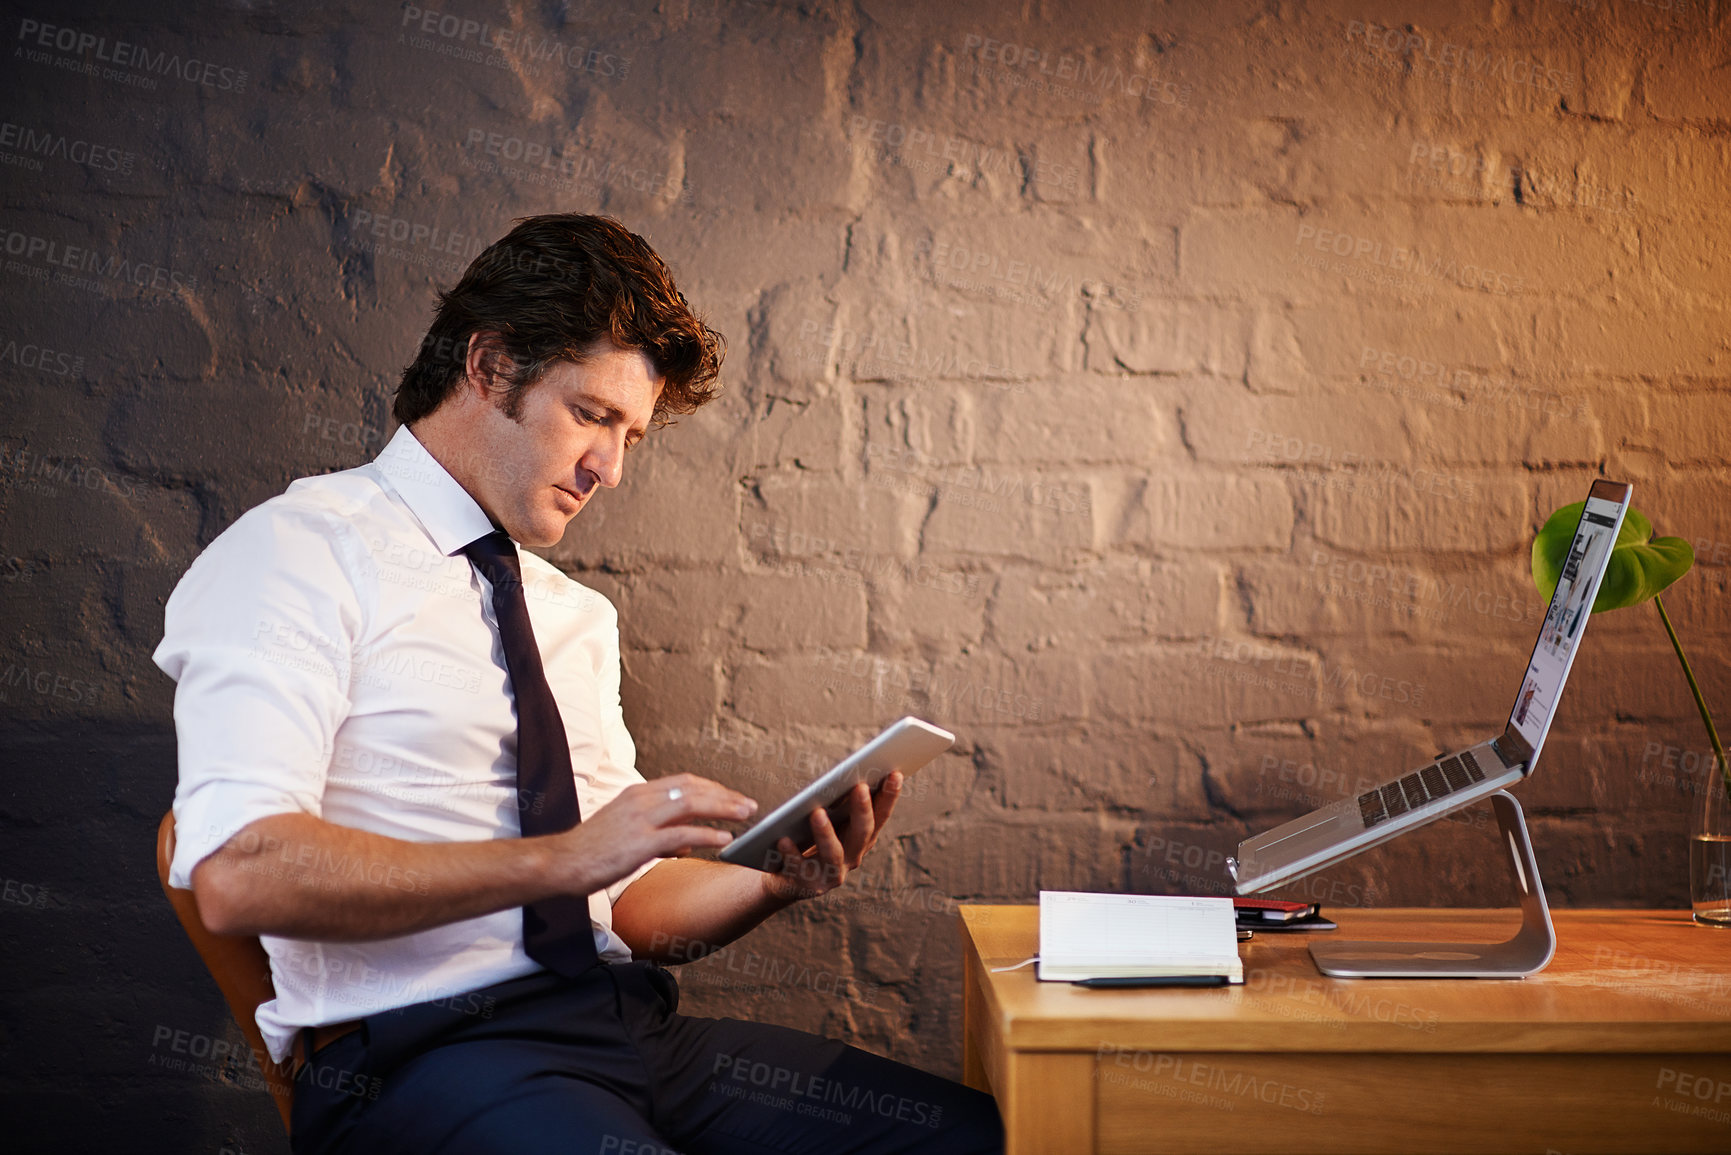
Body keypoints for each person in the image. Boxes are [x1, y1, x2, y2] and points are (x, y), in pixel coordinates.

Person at [154, 213, 1004, 1155]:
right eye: (592, 415)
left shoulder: (572, 618)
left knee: (979, 1137)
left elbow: (629, 909)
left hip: (630, 1034)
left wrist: (770, 883)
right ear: (487, 366)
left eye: (631, 434)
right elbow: (236, 872)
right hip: (425, 1057)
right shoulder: (297, 551)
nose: (610, 467)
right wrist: (563, 859)